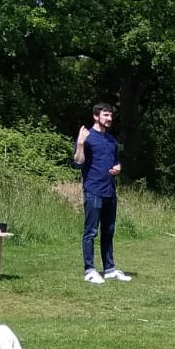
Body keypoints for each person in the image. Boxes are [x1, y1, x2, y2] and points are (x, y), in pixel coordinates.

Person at [76, 100, 130, 284]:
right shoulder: (88, 137)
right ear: (96, 116)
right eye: (106, 115)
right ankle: (89, 270)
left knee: (108, 231)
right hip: (93, 190)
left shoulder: (112, 140)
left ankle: (109, 269)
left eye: (111, 115)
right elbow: (78, 162)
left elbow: (117, 161)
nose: (109, 118)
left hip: (110, 192)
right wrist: (80, 144)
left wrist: (118, 168)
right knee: (91, 232)